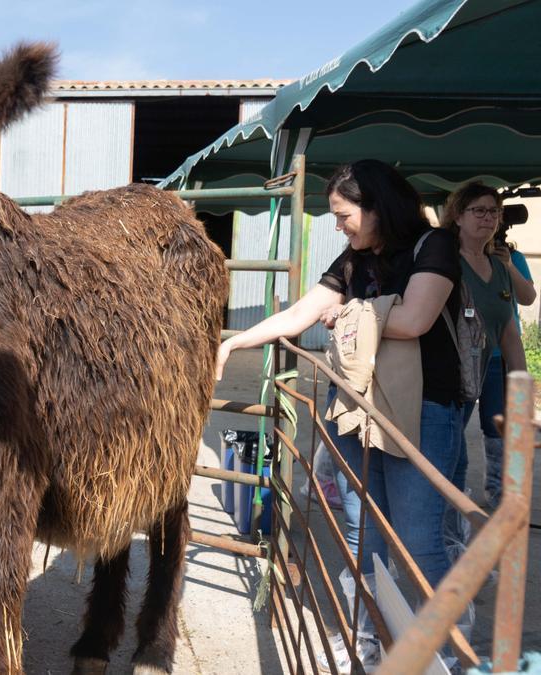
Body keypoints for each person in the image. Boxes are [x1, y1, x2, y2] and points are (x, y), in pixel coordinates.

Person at [215, 159, 463, 673]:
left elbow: (416, 320)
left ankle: (440, 657)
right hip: (355, 409)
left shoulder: (432, 247)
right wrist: (236, 340)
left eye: (344, 214)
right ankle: (366, 641)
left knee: (417, 542)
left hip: (421, 412)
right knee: (360, 533)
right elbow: (301, 313)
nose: (339, 226)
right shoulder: (353, 257)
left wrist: (349, 313)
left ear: (378, 208)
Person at [442, 182, 531, 509]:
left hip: (492, 363)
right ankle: (445, 518)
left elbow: (513, 321)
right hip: (451, 373)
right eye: (478, 210)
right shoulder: (445, 260)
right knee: (451, 450)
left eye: (493, 212)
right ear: (458, 215)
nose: (488, 218)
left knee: (496, 430)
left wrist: (523, 391)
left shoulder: (502, 264)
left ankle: (497, 496)